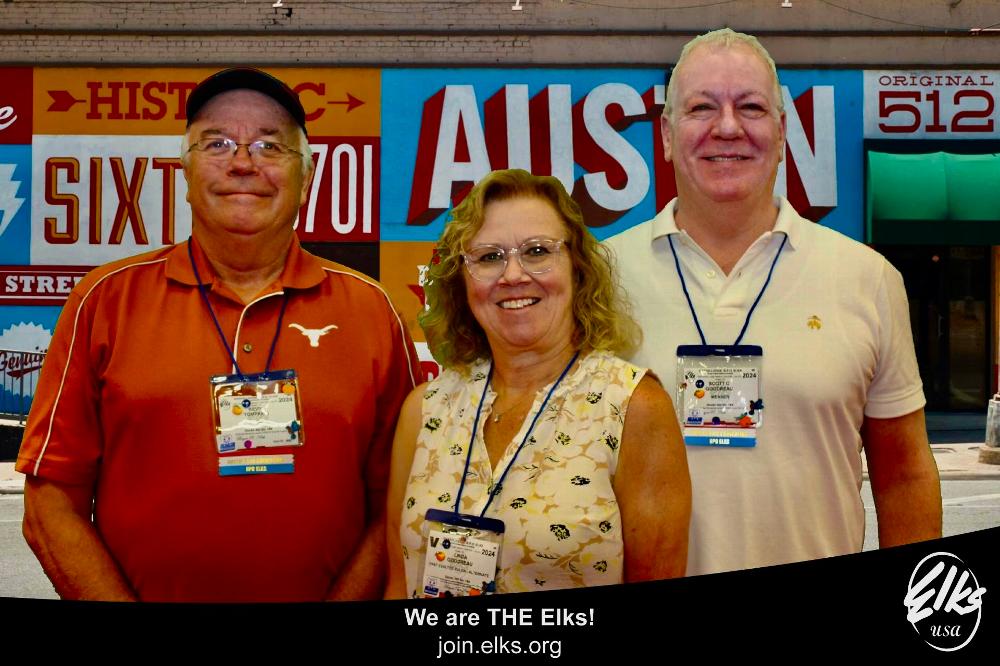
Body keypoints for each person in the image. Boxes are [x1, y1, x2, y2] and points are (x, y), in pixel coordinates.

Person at [17, 68, 418, 602]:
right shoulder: (105, 300)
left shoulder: (373, 310)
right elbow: (50, 503)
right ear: (184, 168)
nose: (243, 162)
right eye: (217, 143)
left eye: (270, 145)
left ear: (308, 174)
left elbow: (401, 500)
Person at [606, 28, 942, 576]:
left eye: (752, 107)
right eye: (701, 107)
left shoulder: (867, 278)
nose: (728, 127)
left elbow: (903, 473)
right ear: (666, 134)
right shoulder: (597, 278)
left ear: (783, 131)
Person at [385, 169, 691, 598]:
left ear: (577, 268)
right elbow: (399, 586)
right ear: (461, 281)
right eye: (489, 257)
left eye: (536, 251)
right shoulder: (426, 409)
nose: (513, 275)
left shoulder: (634, 406)